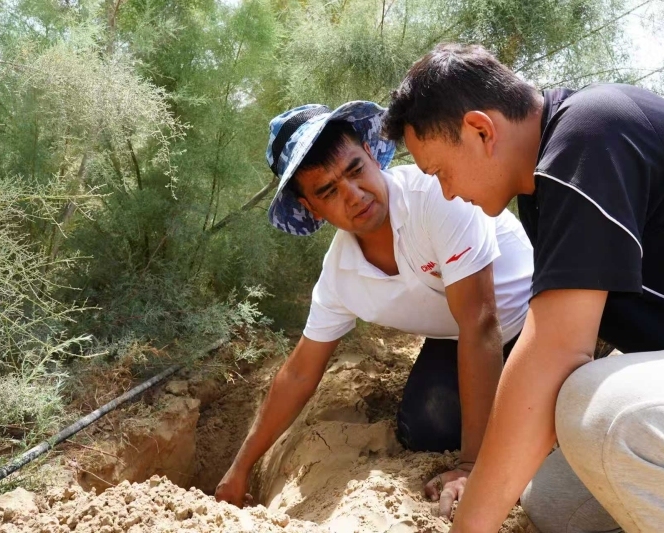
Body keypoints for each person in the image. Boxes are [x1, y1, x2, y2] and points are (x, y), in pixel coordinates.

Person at [382, 43, 664, 533]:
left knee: (606, 412)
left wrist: (470, 523)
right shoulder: (545, 191)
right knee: (555, 502)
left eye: (440, 171)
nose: (446, 192)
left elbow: (556, 351)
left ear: (481, 130)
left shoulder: (592, 133)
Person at [214, 101, 534, 511]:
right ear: (311, 208)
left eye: (354, 170)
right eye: (328, 191)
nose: (354, 195)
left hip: (529, 316)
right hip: (460, 335)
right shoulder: (340, 275)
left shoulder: (434, 194)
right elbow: (298, 373)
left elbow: (481, 321)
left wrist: (472, 465)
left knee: (530, 408)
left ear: (370, 152)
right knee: (424, 427)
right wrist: (239, 469)